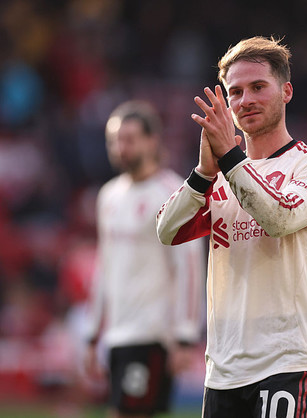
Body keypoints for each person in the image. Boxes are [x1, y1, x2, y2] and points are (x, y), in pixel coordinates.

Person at [155, 36, 307, 418]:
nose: (246, 101)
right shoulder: (219, 177)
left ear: (286, 91)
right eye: (236, 92)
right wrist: (203, 172)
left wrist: (229, 157)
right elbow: (167, 231)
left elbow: (279, 218)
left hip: (287, 361)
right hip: (224, 369)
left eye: (258, 87)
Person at [83, 100, 205, 418]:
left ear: (152, 141)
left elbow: (189, 267)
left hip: (152, 332)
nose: (120, 148)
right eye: (114, 141)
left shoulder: (173, 193)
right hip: (117, 334)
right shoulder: (108, 196)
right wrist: (93, 334)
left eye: (129, 139)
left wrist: (185, 335)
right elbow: (104, 266)